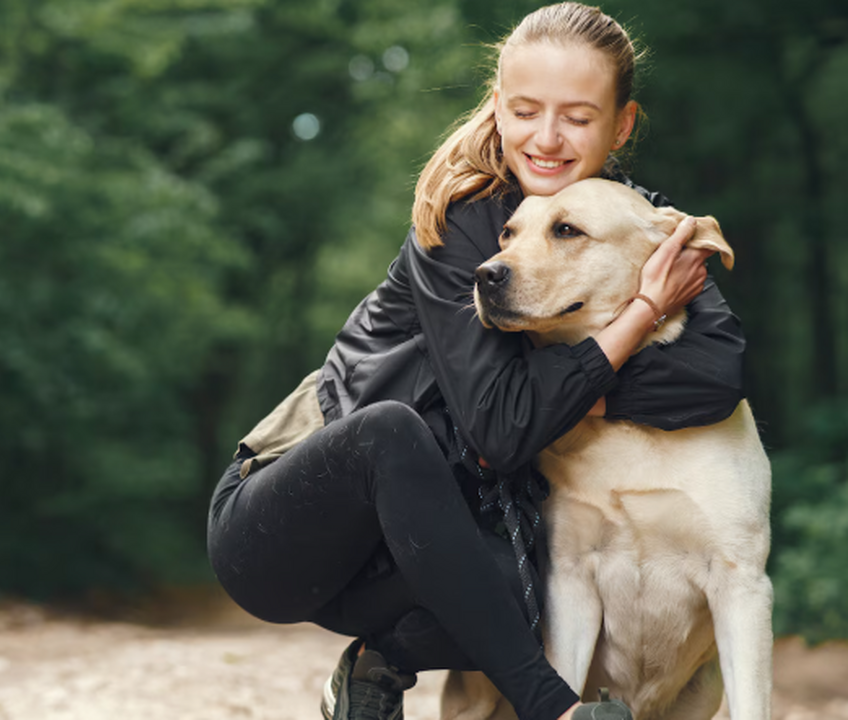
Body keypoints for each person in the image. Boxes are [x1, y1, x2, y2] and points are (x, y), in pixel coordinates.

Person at [206, 3, 745, 720]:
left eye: (577, 117)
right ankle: (556, 712)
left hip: (417, 552)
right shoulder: (462, 221)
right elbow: (500, 427)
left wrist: (575, 394)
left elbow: (717, 373)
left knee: (545, 584)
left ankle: (377, 661)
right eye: (525, 111)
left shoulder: (635, 222)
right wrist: (641, 314)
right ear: (497, 107)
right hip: (287, 528)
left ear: (620, 126)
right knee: (390, 431)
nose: (546, 138)